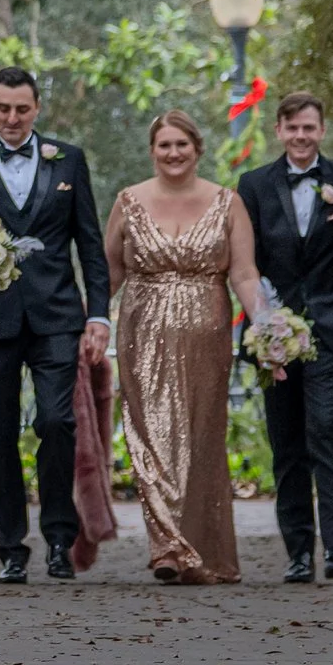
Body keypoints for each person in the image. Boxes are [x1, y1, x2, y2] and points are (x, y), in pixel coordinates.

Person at [0, 66, 109, 583]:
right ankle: (10, 545)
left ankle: (59, 536)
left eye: (23, 109)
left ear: (37, 108)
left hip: (57, 315)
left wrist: (98, 314)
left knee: (56, 421)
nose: (13, 119)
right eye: (4, 109)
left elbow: (88, 241)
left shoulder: (69, 159)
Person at [104, 111, 266, 585]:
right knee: (149, 437)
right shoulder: (128, 201)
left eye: (181, 144)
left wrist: (270, 330)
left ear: (197, 148)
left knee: (199, 440)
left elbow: (244, 273)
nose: (173, 153)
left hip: (207, 336)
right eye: (164, 145)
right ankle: (167, 549)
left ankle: (200, 548)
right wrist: (83, 322)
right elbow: (109, 272)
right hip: (142, 331)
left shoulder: (227, 201)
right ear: (152, 150)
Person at [238, 91, 333, 582]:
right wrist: (261, 325)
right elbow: (246, 262)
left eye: (309, 128)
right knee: (287, 440)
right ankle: (298, 550)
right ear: (279, 130)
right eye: (292, 127)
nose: (300, 136)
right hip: (272, 333)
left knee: (325, 427)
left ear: (321, 130)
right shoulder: (253, 184)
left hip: (331, 330)